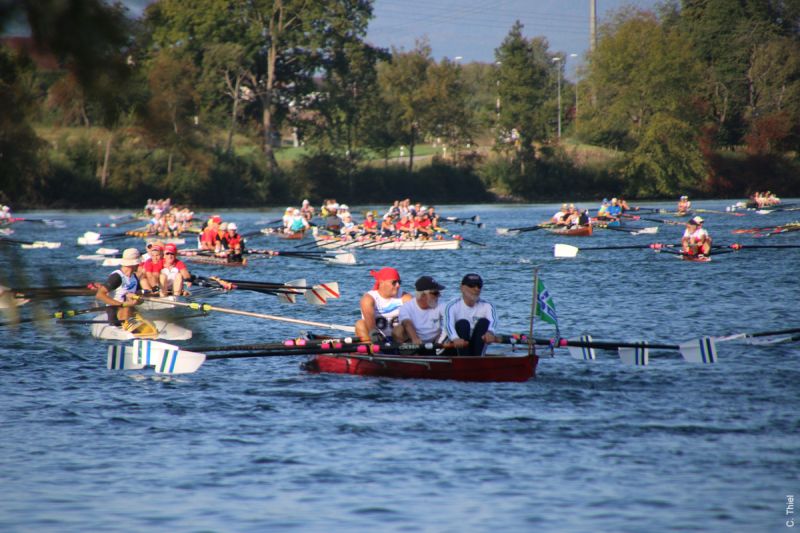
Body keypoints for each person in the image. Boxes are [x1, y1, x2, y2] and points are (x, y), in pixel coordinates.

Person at [444, 273, 498, 356]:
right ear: (462, 288)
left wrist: (490, 332)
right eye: (471, 285)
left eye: (479, 286)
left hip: (476, 345)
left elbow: (493, 322)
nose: (476, 289)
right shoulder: (452, 305)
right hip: (456, 346)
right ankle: (465, 359)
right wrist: (455, 338)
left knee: (484, 322)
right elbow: (448, 325)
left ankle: (476, 358)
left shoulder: (488, 305)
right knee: (463, 323)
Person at [354, 267, 412, 342]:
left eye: (399, 282)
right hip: (377, 337)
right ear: (381, 283)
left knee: (399, 330)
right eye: (394, 282)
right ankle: (370, 346)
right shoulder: (369, 299)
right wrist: (373, 332)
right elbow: (370, 324)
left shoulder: (405, 297)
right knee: (360, 324)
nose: (398, 285)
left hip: (399, 338)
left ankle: (406, 346)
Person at [392, 276, 446, 346]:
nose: (439, 296)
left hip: (435, 341)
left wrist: (440, 342)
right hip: (414, 341)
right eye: (435, 293)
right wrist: (415, 339)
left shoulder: (441, 305)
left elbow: (449, 322)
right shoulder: (406, 307)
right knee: (398, 330)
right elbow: (407, 323)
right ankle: (408, 350)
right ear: (423, 295)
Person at [95, 247, 142, 325]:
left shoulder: (134, 277)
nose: (139, 265)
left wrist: (141, 297)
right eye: (138, 263)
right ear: (133, 264)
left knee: (133, 308)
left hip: (129, 310)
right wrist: (121, 304)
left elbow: (138, 293)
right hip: (115, 311)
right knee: (127, 308)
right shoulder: (117, 277)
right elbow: (100, 295)